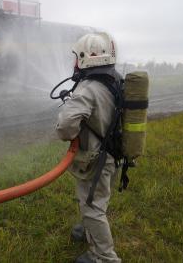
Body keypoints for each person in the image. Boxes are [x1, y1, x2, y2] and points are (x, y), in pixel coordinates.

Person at [56, 32, 122, 263]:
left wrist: (71, 127)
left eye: (76, 57)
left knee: (93, 205)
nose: (74, 62)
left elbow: (65, 127)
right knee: (96, 199)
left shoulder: (88, 88)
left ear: (87, 57)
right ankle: (88, 231)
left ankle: (104, 257)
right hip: (113, 155)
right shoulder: (115, 80)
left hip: (97, 159)